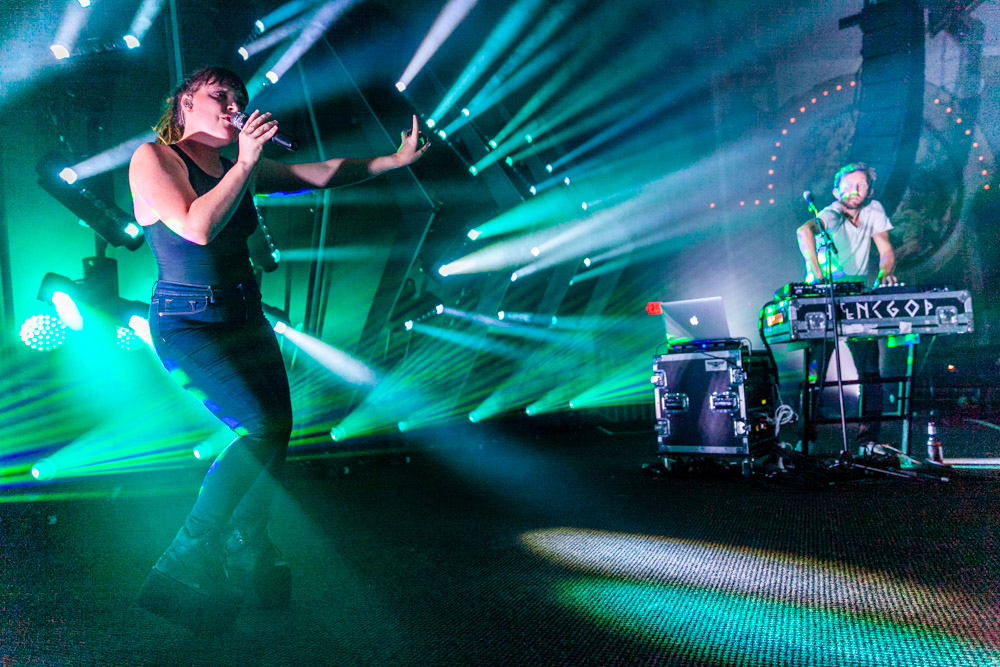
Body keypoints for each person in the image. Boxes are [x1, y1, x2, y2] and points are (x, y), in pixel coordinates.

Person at [128, 66, 429, 626]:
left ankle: (249, 547)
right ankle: (188, 557)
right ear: (185, 103)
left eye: (239, 98)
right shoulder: (156, 158)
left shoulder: (239, 165)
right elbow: (196, 228)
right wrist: (244, 162)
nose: (234, 105)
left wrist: (392, 161)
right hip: (186, 322)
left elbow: (315, 173)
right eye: (220, 96)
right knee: (261, 427)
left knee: (277, 432)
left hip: (246, 314)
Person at [795, 162, 896, 449]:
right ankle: (807, 438)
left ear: (870, 190)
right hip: (822, 298)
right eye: (849, 184)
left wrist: (885, 273)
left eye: (861, 185)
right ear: (836, 190)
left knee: (870, 371)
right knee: (815, 372)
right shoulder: (832, 213)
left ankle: (868, 440)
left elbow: (886, 251)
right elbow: (804, 232)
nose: (855, 190)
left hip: (856, 297)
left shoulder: (874, 210)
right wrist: (815, 274)